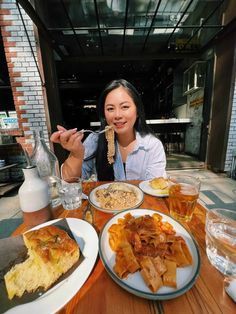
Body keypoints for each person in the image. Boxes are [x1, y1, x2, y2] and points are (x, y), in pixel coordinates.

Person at [50, 79, 166, 181]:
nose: (117, 115)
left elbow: (156, 187)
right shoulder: (94, 140)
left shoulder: (152, 145)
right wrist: (76, 154)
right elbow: (69, 182)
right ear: (104, 114)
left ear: (137, 111)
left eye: (125, 107)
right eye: (110, 108)